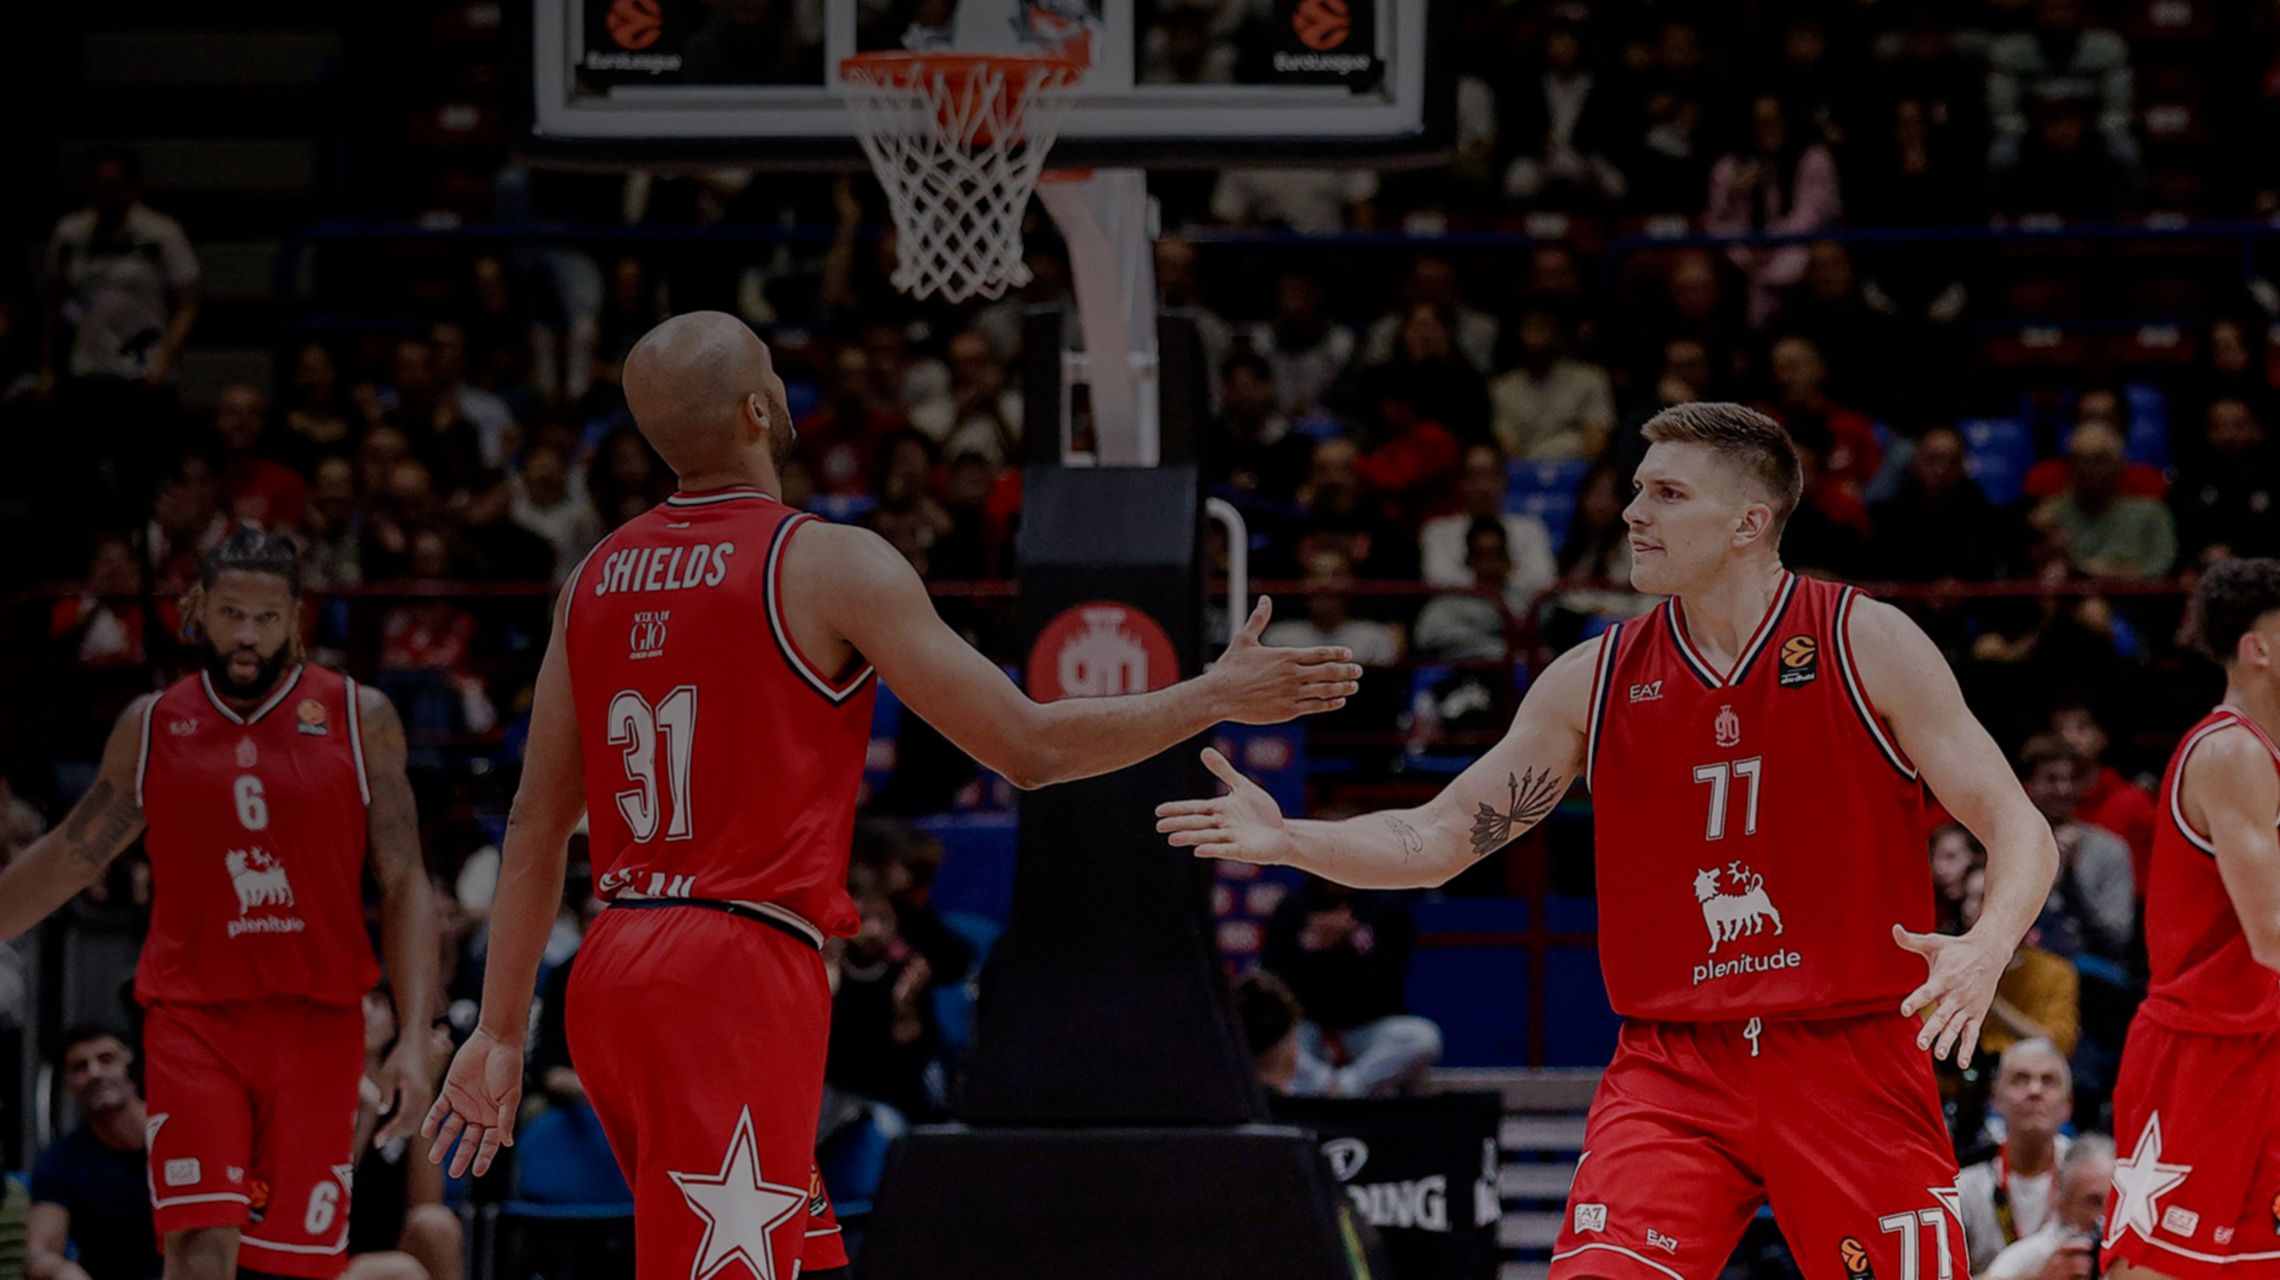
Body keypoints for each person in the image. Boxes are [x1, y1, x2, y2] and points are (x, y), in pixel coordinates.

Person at [419, 312, 1363, 1280]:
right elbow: (1028, 747)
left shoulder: (593, 578)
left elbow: (536, 821)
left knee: (806, 1261)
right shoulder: (827, 563)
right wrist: (1212, 692)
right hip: (731, 967)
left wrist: (497, 1029)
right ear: (757, 409)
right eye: (776, 372)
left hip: (611, 969)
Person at [1159, 402, 2059, 1280]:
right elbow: (1439, 836)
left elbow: (2018, 824)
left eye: (1666, 493)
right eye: (1636, 488)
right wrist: (1288, 840)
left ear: (1749, 521)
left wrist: (1986, 944)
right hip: (1674, 1066)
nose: (1631, 512)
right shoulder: (1592, 678)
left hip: (1849, 1053)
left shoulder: (1864, 642)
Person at [0, 530, 438, 1280]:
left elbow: (404, 879)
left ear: (296, 618)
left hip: (318, 1022)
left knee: (297, 1267)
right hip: (194, 1020)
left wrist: (416, 1034)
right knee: (199, 1247)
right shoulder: (153, 723)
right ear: (197, 609)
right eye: (231, 613)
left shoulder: (359, 718)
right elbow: (78, 850)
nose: (247, 635)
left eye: (268, 619)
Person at [2101, 559, 2280, 1278]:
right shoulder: (2231, 751)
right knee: (2156, 1268)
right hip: (2204, 1049)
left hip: (2262, 1038)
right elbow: (2272, 934)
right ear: (2258, 646)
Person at [1260, 879, 1442, 1097]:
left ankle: (1346, 1089)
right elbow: (1275, 980)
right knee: (1269, 1041)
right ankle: (1324, 1085)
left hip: (1368, 1026)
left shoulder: (1384, 905)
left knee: (1422, 1038)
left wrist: (1350, 943)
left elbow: (1390, 978)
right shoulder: (1294, 905)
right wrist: (1316, 946)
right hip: (1311, 1027)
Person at [26, 1028, 159, 1280]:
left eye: (107, 1060)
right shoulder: (59, 1161)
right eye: (80, 1067)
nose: (95, 1073)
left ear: (132, 1069)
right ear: (67, 1086)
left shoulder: (181, 1135)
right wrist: (59, 1270)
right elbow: (39, 1252)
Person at [1960, 1039, 2077, 1273]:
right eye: (2020, 1079)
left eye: (2048, 1081)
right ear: (1995, 1099)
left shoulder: (2088, 1176)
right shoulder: (1965, 1183)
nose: (2035, 1091)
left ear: (2068, 1105)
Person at [1961, 868, 2080, 1057]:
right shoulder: (1953, 964)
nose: (1968, 909)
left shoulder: (2055, 971)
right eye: (1967, 899)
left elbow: (2059, 1045)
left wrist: (1990, 1001)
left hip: (2024, 1074)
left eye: (1982, 898)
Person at [1986, 1137, 2115, 1280]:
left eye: (2113, 1203)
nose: (2105, 1215)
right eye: (2093, 1201)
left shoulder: (2133, 1259)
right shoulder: (2028, 1257)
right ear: (2062, 1203)